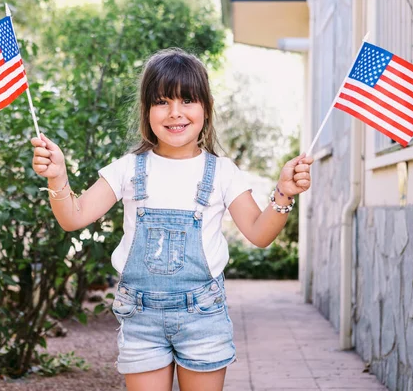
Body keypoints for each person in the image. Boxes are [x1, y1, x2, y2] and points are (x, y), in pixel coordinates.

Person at [31, 48, 313, 391]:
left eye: (187, 101)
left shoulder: (222, 172)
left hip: (203, 317)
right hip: (140, 317)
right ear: (146, 110)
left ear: (205, 109)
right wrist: (57, 177)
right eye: (162, 101)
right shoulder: (127, 169)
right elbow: (73, 218)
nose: (175, 113)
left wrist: (283, 193)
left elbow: (258, 233)